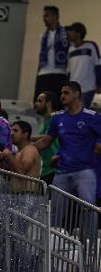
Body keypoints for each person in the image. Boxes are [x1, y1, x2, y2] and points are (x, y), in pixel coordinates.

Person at [35, 82, 101, 219]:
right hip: (62, 172)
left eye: (66, 93)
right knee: (54, 211)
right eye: (61, 93)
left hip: (85, 170)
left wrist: (97, 148)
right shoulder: (57, 117)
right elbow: (46, 141)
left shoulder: (92, 116)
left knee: (89, 208)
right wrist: (26, 148)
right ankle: (53, 239)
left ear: (77, 94)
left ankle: (89, 239)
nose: (62, 96)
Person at [34, 6, 69, 101]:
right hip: (44, 73)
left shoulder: (65, 33)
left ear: (55, 17)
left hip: (59, 73)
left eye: (47, 16)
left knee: (56, 103)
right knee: (40, 103)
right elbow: (41, 54)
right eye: (43, 16)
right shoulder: (43, 35)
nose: (44, 19)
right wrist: (38, 73)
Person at [66, 22, 101, 108]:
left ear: (78, 33)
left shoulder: (91, 46)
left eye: (71, 31)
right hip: (73, 90)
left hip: (88, 89)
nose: (68, 33)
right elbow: (69, 72)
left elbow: (98, 65)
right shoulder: (70, 50)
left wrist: (99, 84)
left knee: (83, 115)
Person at [33, 91, 59, 184]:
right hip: (46, 169)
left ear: (49, 103)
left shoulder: (55, 118)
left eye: (39, 101)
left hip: (55, 169)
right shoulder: (44, 121)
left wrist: (27, 140)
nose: (36, 104)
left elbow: (47, 137)